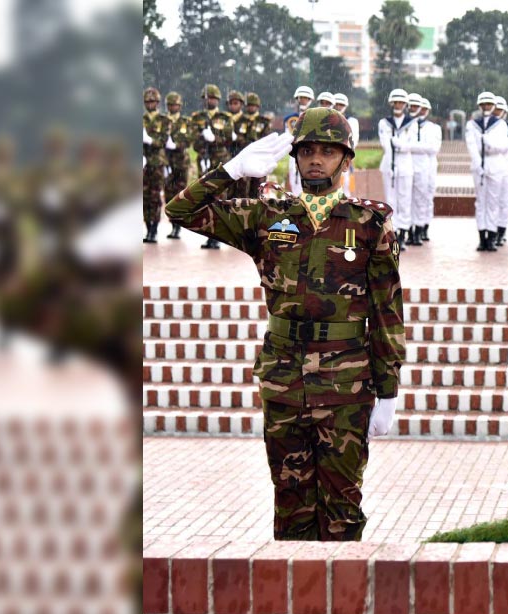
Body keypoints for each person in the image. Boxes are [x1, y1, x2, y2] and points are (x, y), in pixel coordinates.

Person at [165, 108, 404, 541]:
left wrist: (387, 390)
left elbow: (386, 310)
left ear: (346, 160)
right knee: (290, 507)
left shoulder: (369, 223)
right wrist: (231, 170)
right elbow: (180, 211)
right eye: (307, 151)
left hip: (344, 382)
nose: (316, 159)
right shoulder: (267, 215)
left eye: (328, 152)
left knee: (342, 510)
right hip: (283, 378)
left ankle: (341, 606)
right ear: (294, 158)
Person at [465, 91, 508, 252]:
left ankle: (491, 237)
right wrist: (478, 162)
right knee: (480, 203)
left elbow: (505, 146)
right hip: (479, 165)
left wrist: (489, 143)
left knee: (492, 202)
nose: (486, 107)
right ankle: (481, 237)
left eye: (489, 104)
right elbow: (471, 145)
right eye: (483, 104)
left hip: (495, 164)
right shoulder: (472, 124)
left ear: (493, 106)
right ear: (480, 106)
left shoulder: (500, 124)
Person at [189, 84, 234, 249]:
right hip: (204, 161)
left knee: (219, 199)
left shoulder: (225, 117)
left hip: (220, 163)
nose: (210, 100)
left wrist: (213, 138)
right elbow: (192, 141)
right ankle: (209, 234)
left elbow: (228, 138)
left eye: (213, 98)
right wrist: (202, 139)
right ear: (204, 99)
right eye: (208, 98)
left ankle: (218, 235)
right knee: (205, 199)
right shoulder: (197, 118)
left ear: (218, 100)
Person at [377, 88, 417, 250]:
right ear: (392, 103)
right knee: (391, 200)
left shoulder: (412, 123)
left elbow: (411, 145)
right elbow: (385, 144)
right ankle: (391, 233)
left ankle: (403, 233)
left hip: (406, 165)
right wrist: (397, 145)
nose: (398, 105)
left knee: (404, 200)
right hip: (389, 164)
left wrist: (398, 144)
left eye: (401, 102)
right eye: (396, 102)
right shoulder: (384, 122)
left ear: (405, 104)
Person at [409, 95, 441, 245]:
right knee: (409, 199)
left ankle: (422, 227)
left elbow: (433, 148)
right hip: (411, 164)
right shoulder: (409, 125)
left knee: (425, 198)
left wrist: (412, 147)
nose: (421, 111)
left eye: (424, 109)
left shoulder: (434, 128)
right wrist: (421, 147)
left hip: (428, 167)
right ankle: (410, 230)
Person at [142, 87, 170, 243]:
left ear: (158, 103)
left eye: (152, 101)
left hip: (157, 163)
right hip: (143, 163)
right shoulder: (141, 119)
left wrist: (150, 140)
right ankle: (147, 229)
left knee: (155, 196)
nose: (149, 104)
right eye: (147, 101)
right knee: (144, 196)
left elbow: (164, 141)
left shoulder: (164, 120)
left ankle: (154, 229)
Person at [163, 91, 192, 239]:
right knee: (168, 194)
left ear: (179, 106)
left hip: (181, 162)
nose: (172, 107)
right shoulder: (163, 121)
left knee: (179, 195)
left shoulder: (185, 122)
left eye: (175, 104)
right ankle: (172, 225)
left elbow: (189, 139)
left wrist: (176, 145)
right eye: (170, 104)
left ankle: (178, 227)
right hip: (167, 162)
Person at [492, 95, 508, 247]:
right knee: (492, 201)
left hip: (506, 167)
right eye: (495, 109)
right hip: (493, 167)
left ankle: (501, 230)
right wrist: (503, 145)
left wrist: (498, 145)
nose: (497, 113)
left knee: (504, 201)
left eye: (500, 110)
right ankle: (492, 231)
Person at [284, 85, 316, 195]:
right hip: (295, 152)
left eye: (306, 98)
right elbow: (288, 136)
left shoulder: (316, 116)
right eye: (301, 97)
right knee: (294, 178)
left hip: (312, 152)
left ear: (310, 100)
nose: (303, 100)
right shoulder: (290, 119)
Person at [333, 93, 360, 196]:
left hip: (346, 155)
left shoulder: (352, 121)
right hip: (331, 156)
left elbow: (354, 140)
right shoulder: (328, 120)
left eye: (341, 104)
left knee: (346, 185)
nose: (339, 107)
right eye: (337, 104)